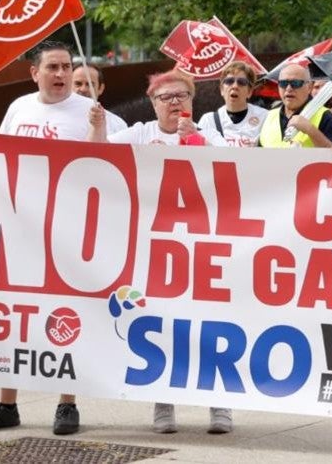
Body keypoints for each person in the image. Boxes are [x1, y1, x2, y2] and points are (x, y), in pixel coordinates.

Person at [0, 41, 117, 437]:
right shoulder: (19, 107)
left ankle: (67, 404)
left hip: (68, 230)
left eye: (66, 67)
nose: (61, 75)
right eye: (53, 67)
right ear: (35, 73)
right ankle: (6, 404)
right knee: (16, 314)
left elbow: (104, 168)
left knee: (67, 315)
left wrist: (98, 130)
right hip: (20, 228)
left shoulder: (89, 112)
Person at [86, 69, 231, 434]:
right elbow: (96, 154)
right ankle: (163, 405)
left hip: (201, 248)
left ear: (192, 100)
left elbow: (232, 167)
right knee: (161, 326)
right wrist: (97, 126)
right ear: (152, 104)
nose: (174, 102)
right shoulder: (140, 134)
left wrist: (195, 140)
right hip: (156, 249)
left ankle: (221, 407)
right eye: (166, 98)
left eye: (181, 95)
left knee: (209, 327)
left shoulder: (209, 132)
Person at [257, 63, 332, 148]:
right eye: (283, 83)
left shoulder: (325, 116)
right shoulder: (267, 116)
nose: (288, 88)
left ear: (309, 87)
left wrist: (310, 130)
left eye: (296, 83)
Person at [197, 61, 268, 148]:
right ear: (222, 90)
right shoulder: (208, 121)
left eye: (241, 82)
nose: (235, 86)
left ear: (249, 92)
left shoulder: (265, 117)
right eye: (229, 81)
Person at [72, 63, 127, 132]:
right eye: (78, 84)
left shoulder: (117, 124)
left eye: (90, 84)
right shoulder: (56, 117)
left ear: (101, 88)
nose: (83, 89)